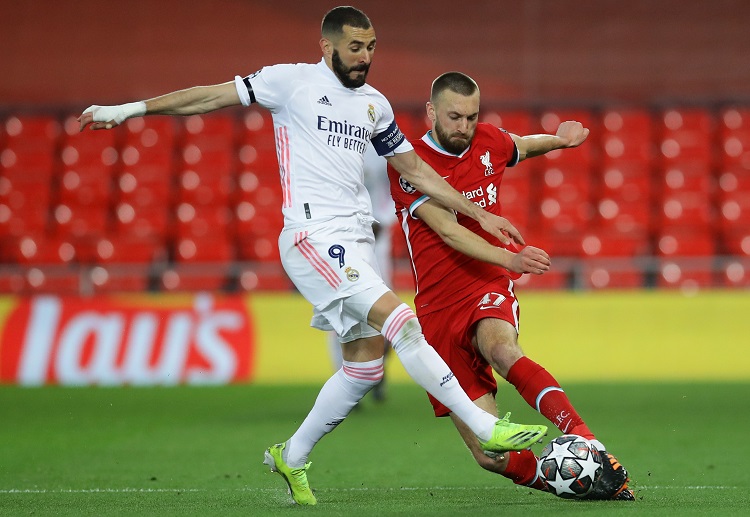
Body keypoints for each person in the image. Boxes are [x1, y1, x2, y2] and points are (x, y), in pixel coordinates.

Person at [77, 7, 548, 506]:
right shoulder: (290, 83)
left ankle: (292, 455)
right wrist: (128, 109)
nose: (365, 57)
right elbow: (211, 96)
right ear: (327, 47)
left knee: (364, 369)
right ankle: (484, 425)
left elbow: (415, 171)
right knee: (403, 324)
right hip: (311, 236)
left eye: (370, 47)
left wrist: (478, 213)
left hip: (356, 241)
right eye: (355, 47)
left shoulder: (375, 106)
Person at [386, 71, 634, 500]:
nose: (464, 127)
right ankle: (576, 484)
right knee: (489, 454)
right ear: (431, 113)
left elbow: (519, 145)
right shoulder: (410, 165)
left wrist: (557, 139)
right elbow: (447, 231)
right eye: (454, 117)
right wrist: (512, 258)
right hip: (437, 310)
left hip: (486, 284)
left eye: (471, 116)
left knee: (501, 349)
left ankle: (590, 443)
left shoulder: (486, 139)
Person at [328, 144, 393, 402]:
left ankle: (377, 371)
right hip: (340, 237)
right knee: (341, 310)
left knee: (383, 311)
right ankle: (344, 380)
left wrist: (383, 222)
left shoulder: (382, 145)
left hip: (376, 239)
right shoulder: (330, 139)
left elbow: (394, 190)